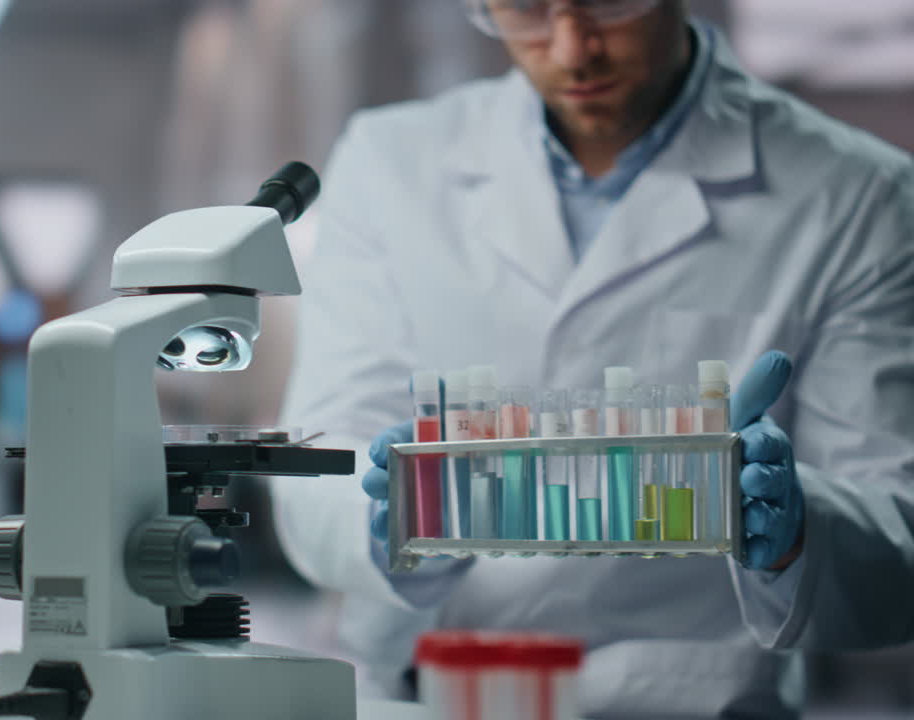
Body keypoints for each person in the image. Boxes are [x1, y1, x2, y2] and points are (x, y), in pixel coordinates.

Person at [271, 1, 914, 717]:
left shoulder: (861, 196)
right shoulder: (389, 161)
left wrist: (799, 530)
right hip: (425, 691)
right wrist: (390, 515)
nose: (574, 50)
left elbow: (899, 538)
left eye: (607, 3)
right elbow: (317, 460)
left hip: (687, 703)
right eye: (526, 10)